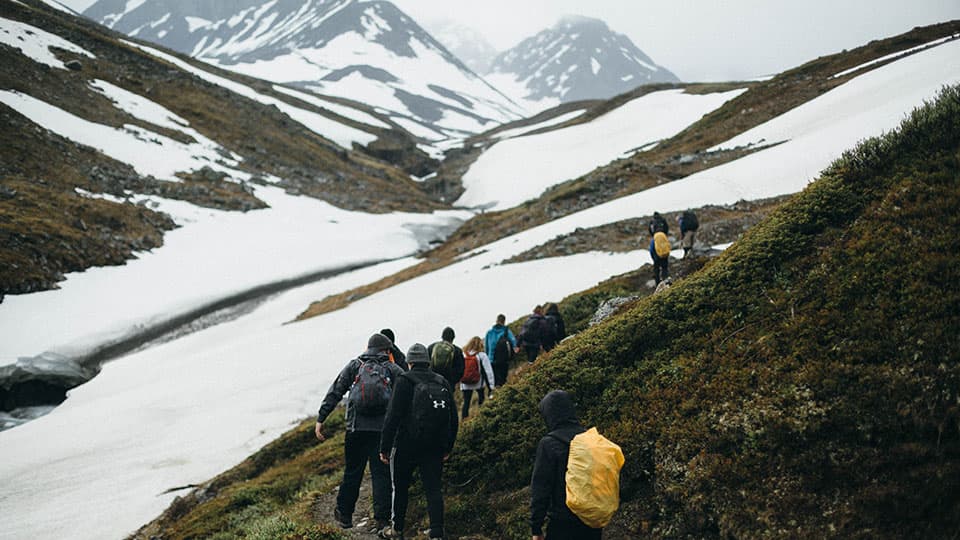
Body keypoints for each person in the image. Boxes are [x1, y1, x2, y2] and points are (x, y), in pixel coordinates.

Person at [315, 333, 405, 533]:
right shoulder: (391, 369)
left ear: (368, 347)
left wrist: (321, 418)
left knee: (352, 471)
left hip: (355, 429)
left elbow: (335, 391)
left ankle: (345, 515)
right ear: (387, 350)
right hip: (381, 431)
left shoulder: (355, 365)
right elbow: (408, 392)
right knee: (380, 474)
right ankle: (382, 521)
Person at [379, 343, 459, 540]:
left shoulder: (405, 380)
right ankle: (437, 533)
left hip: (406, 444)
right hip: (434, 446)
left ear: (409, 362)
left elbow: (393, 416)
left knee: (400, 488)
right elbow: (453, 417)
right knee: (433, 489)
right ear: (428, 361)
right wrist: (447, 446)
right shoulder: (442, 381)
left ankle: (396, 530)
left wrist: (385, 447)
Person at [530, 390, 601, 540]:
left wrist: (536, 528)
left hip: (563, 523)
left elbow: (541, 489)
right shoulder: (590, 438)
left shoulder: (549, 444)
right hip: (592, 522)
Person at [459, 336, 495, 419]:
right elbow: (488, 372)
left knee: (466, 403)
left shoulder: (463, 355)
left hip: (465, 383)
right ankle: (480, 418)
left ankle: (464, 422)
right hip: (479, 383)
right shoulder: (482, 355)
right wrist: (491, 387)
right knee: (481, 399)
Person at [484, 314, 517, 387]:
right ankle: (502, 392)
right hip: (503, 359)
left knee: (495, 379)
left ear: (496, 320)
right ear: (504, 321)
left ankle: (496, 391)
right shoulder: (506, 331)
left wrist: (487, 357)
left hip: (492, 359)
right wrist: (515, 349)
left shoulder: (489, 332)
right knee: (503, 379)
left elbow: (486, 347)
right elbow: (513, 340)